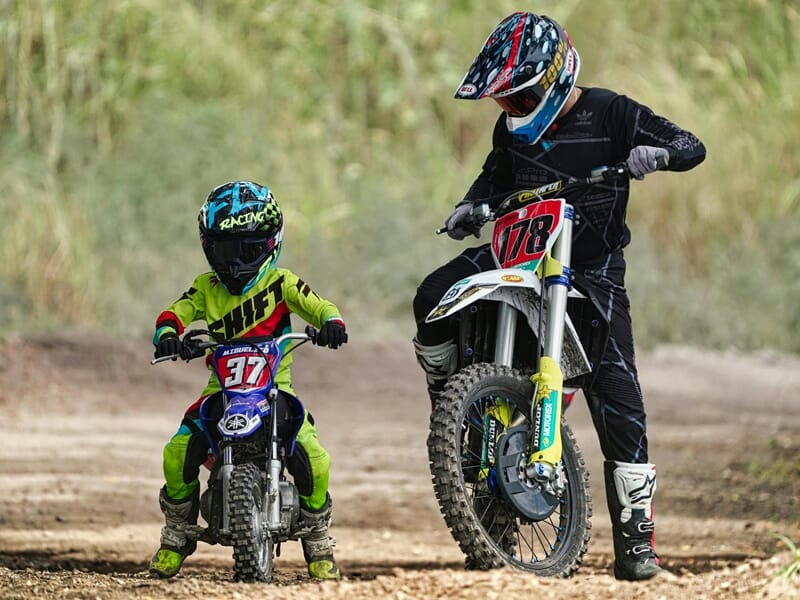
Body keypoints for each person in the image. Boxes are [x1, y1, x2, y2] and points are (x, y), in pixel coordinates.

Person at [412, 12, 706, 581]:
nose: (511, 109)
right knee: (431, 296)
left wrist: (659, 155)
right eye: (504, 101)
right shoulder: (509, 131)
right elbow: (495, 176)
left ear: (553, 77)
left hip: (591, 270)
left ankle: (637, 546)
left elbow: (690, 144)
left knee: (619, 396)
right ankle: (454, 410)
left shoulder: (611, 112)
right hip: (518, 252)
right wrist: (469, 205)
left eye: (519, 97)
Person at [148, 180, 347, 581]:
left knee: (314, 456)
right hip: (220, 389)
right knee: (177, 451)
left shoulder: (283, 283)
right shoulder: (206, 288)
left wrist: (332, 324)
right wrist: (168, 335)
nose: (237, 261)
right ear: (208, 247)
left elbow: (321, 306)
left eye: (249, 250)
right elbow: (173, 313)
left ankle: (317, 536)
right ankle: (178, 531)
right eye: (226, 250)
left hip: (276, 387)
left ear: (271, 244)